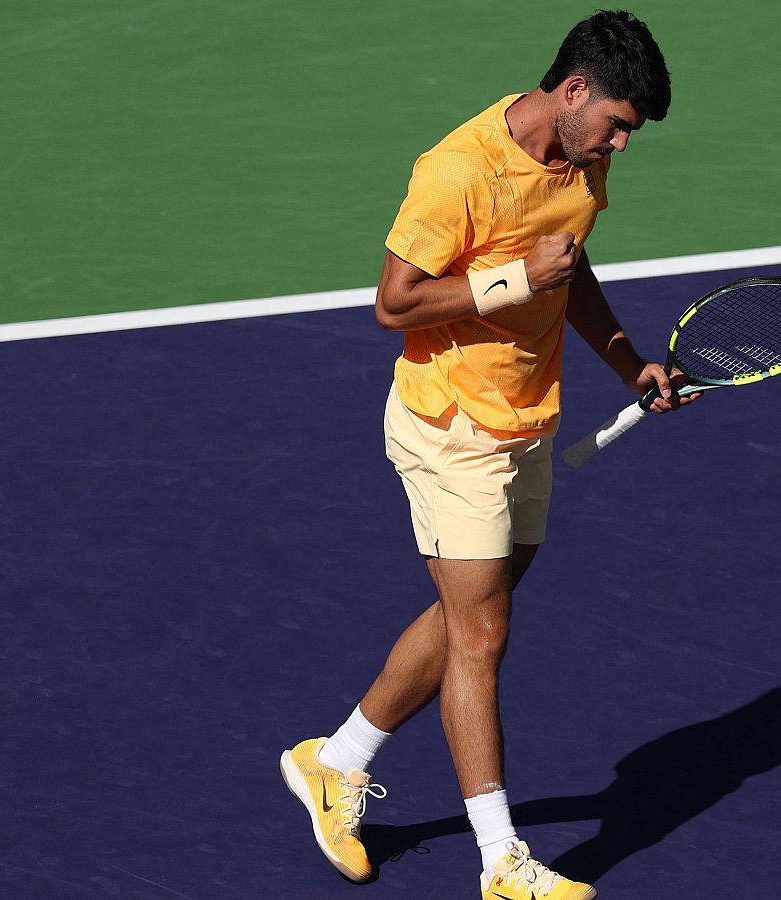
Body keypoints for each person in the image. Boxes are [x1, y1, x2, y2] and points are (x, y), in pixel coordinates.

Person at [279, 11, 682, 899]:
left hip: (526, 418)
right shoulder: (456, 170)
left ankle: (334, 760)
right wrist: (513, 279)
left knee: (477, 610)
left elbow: (572, 274)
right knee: (484, 634)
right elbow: (394, 302)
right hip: (451, 428)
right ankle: (503, 862)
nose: (621, 142)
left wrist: (628, 363)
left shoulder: (585, 161)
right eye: (616, 121)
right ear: (573, 91)